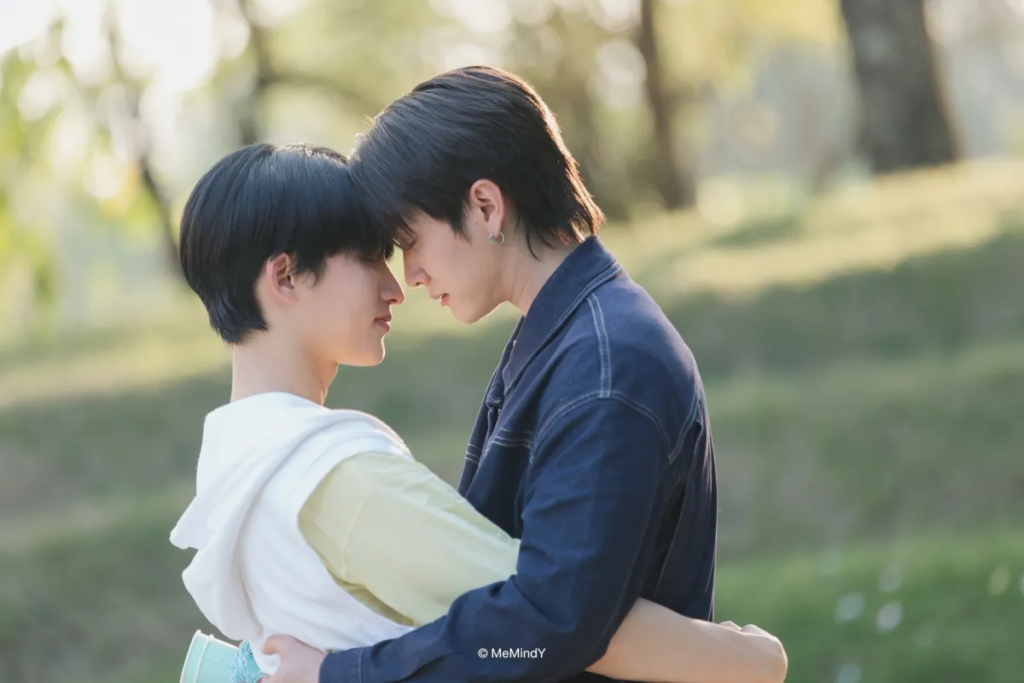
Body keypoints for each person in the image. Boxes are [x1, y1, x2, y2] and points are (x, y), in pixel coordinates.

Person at [170, 141, 786, 683]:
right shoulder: (335, 478)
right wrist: (750, 660)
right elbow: (550, 618)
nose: (396, 286)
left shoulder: (237, 465)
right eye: (369, 257)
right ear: (285, 277)